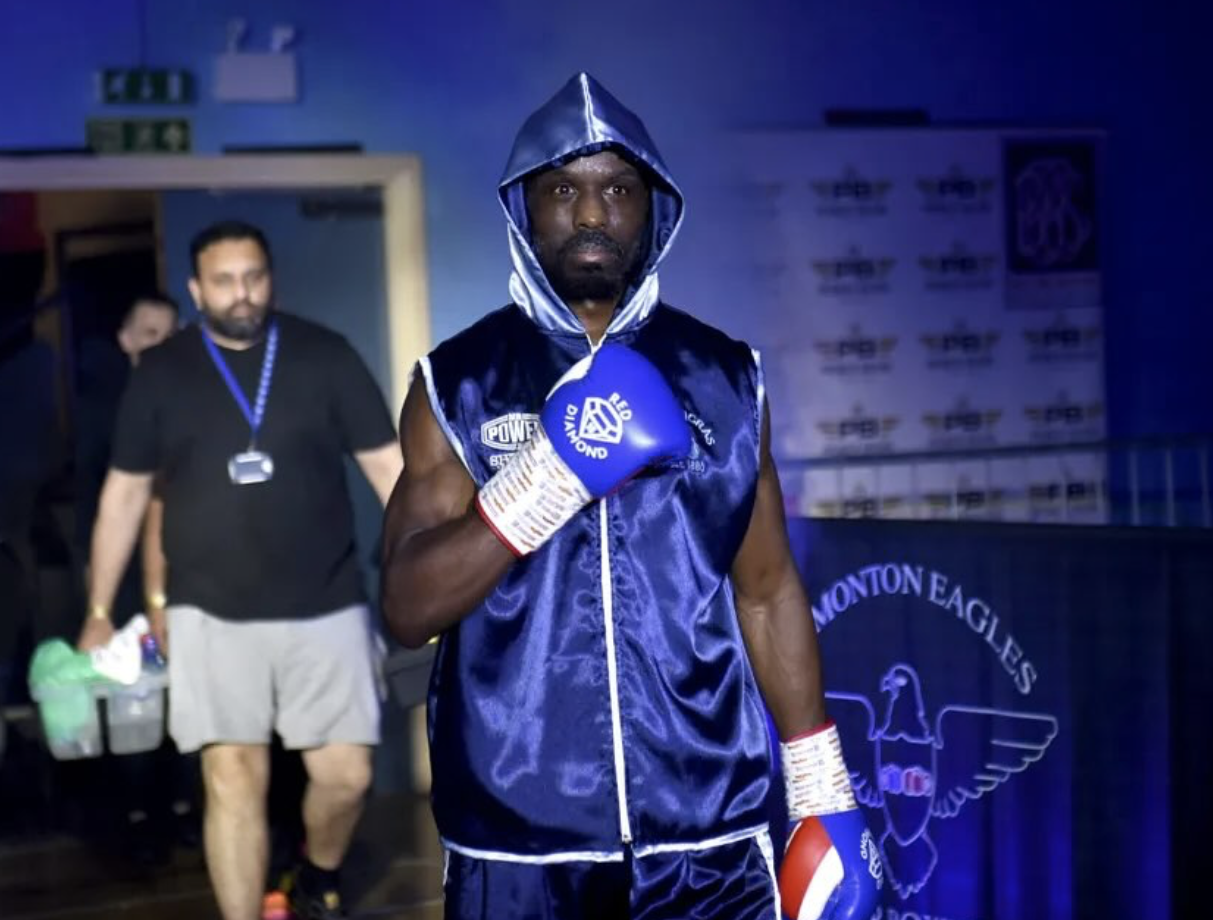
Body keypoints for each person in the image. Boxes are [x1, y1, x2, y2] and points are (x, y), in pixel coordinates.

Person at [381, 73, 882, 919]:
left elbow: (766, 591)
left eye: (617, 188)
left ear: (653, 208)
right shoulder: (457, 384)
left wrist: (821, 788)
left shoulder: (727, 378)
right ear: (524, 210)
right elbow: (405, 608)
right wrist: (548, 479)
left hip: (709, 832)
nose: (590, 214)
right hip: (518, 838)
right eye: (563, 190)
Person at [77, 220, 403, 920]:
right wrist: (100, 610)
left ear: (270, 277)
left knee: (346, 776)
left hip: (327, 601)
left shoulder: (326, 357)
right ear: (197, 289)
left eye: (253, 276)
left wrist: (431, 574)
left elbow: (390, 471)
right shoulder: (163, 374)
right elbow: (126, 495)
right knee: (231, 776)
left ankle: (316, 872)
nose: (242, 293)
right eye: (224, 281)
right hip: (210, 609)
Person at [73, 292, 193, 865]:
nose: (160, 344)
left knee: (182, 702)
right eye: (148, 333)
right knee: (131, 704)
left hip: (189, 580)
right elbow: (101, 507)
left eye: (169, 333)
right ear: (125, 340)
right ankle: (134, 824)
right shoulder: (103, 410)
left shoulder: (194, 402)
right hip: (121, 590)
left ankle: (180, 814)